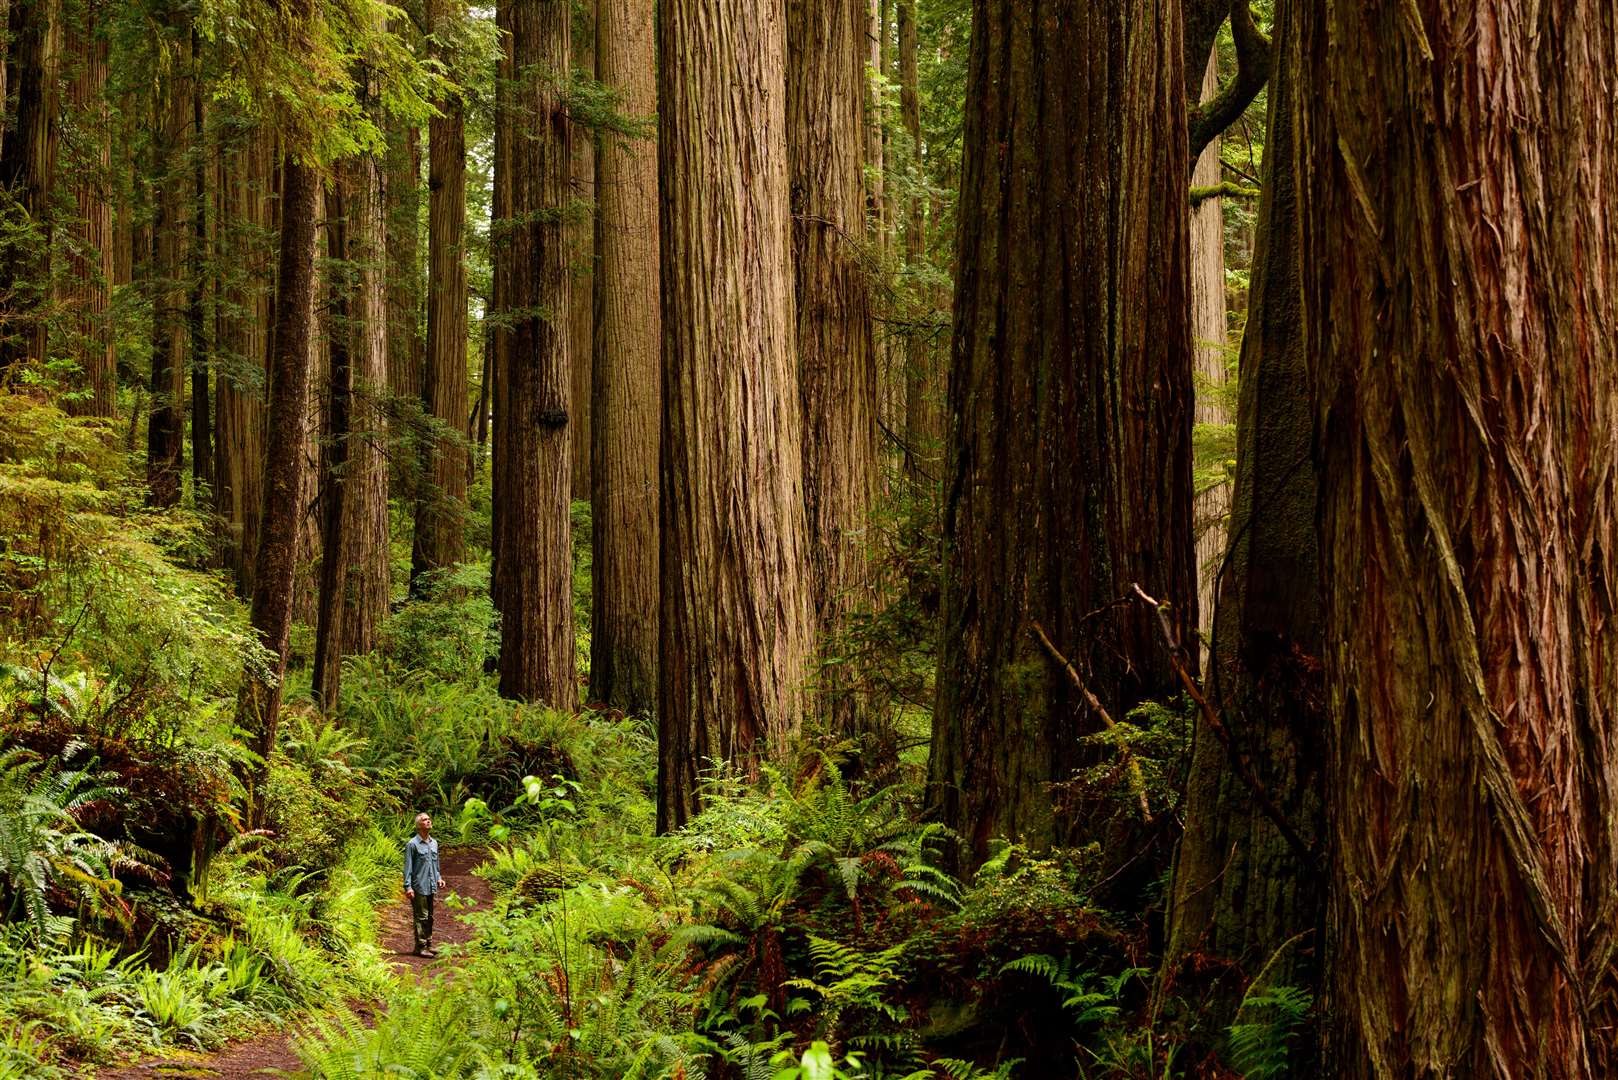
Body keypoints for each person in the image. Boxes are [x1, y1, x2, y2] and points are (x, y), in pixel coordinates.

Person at [403, 812, 445, 957]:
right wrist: (408, 887)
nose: (428, 821)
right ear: (418, 825)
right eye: (424, 820)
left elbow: (436, 865)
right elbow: (407, 868)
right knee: (421, 917)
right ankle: (420, 947)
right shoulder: (412, 845)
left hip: (431, 885)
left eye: (429, 819)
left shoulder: (434, 843)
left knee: (430, 917)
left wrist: (439, 878)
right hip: (418, 886)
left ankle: (428, 944)